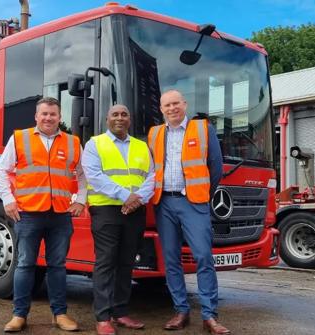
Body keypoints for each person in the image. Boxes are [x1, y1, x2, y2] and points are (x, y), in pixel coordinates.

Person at [0, 97, 87, 333]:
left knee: (57, 265)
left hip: (60, 214)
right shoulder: (19, 138)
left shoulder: (73, 142)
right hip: (28, 213)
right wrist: (8, 200)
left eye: (53, 114)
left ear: (59, 117)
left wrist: (81, 201)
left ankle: (60, 314)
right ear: (36, 116)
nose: (48, 118)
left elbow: (84, 175)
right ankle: (19, 315)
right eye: (44, 114)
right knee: (25, 264)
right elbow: (1, 170)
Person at [147, 90, 230, 334]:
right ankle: (181, 311)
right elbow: (150, 167)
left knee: (203, 257)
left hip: (193, 203)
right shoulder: (155, 133)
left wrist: (202, 193)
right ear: (161, 109)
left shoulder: (203, 129)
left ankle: (209, 316)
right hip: (164, 203)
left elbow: (216, 166)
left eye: (176, 103)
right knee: (171, 259)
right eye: (167, 105)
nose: (172, 108)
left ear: (184, 105)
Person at [81, 105, 155, 335]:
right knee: (106, 262)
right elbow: (94, 176)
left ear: (130, 119)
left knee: (126, 262)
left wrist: (139, 198)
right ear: (107, 119)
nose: (120, 118)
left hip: (135, 211)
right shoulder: (95, 144)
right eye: (115, 114)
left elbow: (152, 176)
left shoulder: (142, 146)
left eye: (124, 114)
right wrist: (126, 196)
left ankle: (120, 312)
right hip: (106, 211)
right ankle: (103, 317)